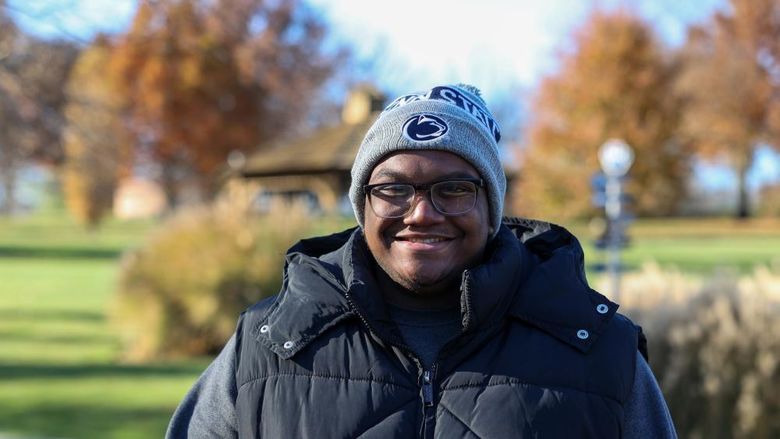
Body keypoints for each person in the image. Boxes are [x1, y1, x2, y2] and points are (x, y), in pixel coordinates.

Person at [166, 84, 677, 438]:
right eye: (393, 189)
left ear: (491, 206)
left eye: (453, 189)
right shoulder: (269, 346)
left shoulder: (596, 348)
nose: (422, 214)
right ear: (362, 204)